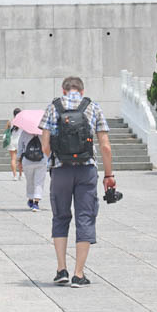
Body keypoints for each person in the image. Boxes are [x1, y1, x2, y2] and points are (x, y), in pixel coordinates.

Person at [39, 76, 115, 288]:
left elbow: (45, 145)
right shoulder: (93, 107)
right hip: (86, 170)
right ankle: (78, 274)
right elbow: (106, 147)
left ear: (64, 91)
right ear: (82, 91)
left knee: (60, 217)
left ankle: (61, 269)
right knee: (85, 218)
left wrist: (53, 161)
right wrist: (109, 176)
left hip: (60, 171)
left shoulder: (53, 107)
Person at [17, 127, 48, 212]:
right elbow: (48, 145)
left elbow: (20, 146)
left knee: (30, 180)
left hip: (27, 160)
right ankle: (36, 203)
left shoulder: (25, 132)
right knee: (39, 181)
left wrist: (18, 159)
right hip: (41, 160)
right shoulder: (44, 131)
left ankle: (30, 199)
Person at [5, 108, 23, 181]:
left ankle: (14, 175)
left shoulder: (10, 121)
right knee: (20, 159)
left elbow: (6, 131)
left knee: (13, 158)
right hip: (20, 141)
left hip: (12, 140)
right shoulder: (23, 122)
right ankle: (20, 175)